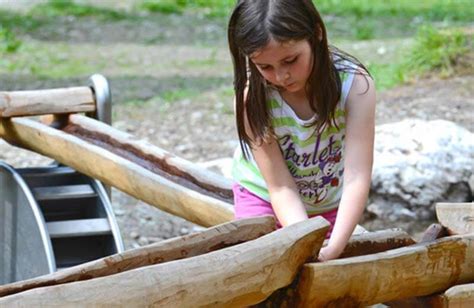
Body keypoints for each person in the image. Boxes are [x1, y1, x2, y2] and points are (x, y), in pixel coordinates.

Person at [228, 0, 376, 262]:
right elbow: (280, 187)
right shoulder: (252, 98)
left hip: (327, 202)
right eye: (265, 67)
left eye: (290, 60)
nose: (281, 76)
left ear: (316, 33)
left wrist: (332, 248)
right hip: (263, 197)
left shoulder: (355, 85)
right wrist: (305, 238)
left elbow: (357, 177)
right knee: (260, 266)